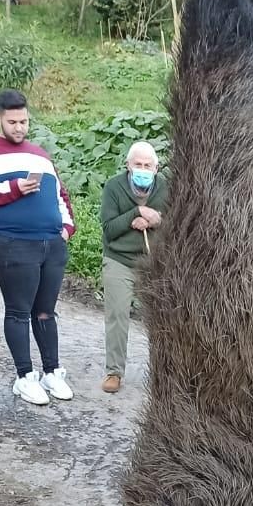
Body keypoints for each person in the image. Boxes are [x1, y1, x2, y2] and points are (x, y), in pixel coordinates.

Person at [0, 89, 76, 407]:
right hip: (11, 243)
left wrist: (66, 230)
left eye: (24, 121)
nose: (19, 127)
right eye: (12, 121)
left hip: (51, 243)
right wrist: (13, 188)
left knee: (45, 311)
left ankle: (51, 371)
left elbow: (60, 195)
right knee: (19, 311)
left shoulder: (40, 154)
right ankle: (25, 376)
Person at [98, 140, 166, 393]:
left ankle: (163, 374)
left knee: (162, 319)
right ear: (128, 165)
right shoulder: (114, 187)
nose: (143, 168)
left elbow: (176, 225)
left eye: (148, 165)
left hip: (153, 261)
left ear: (156, 168)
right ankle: (114, 372)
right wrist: (135, 213)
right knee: (118, 315)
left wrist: (157, 219)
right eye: (138, 164)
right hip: (120, 260)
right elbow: (109, 230)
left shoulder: (165, 188)